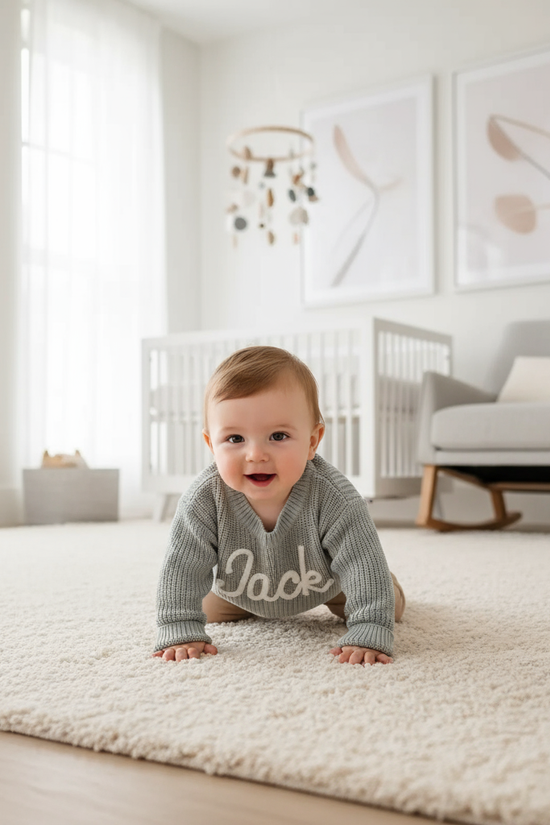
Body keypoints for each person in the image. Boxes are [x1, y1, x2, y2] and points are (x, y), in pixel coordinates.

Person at [153, 346, 405, 667]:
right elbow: (182, 567)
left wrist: (371, 624)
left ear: (312, 441)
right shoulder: (203, 498)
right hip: (240, 590)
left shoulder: (334, 497)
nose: (256, 454)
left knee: (382, 600)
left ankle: (386, 581)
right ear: (211, 446)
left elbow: (359, 560)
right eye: (234, 439)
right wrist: (178, 625)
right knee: (203, 609)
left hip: (327, 585)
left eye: (278, 435)